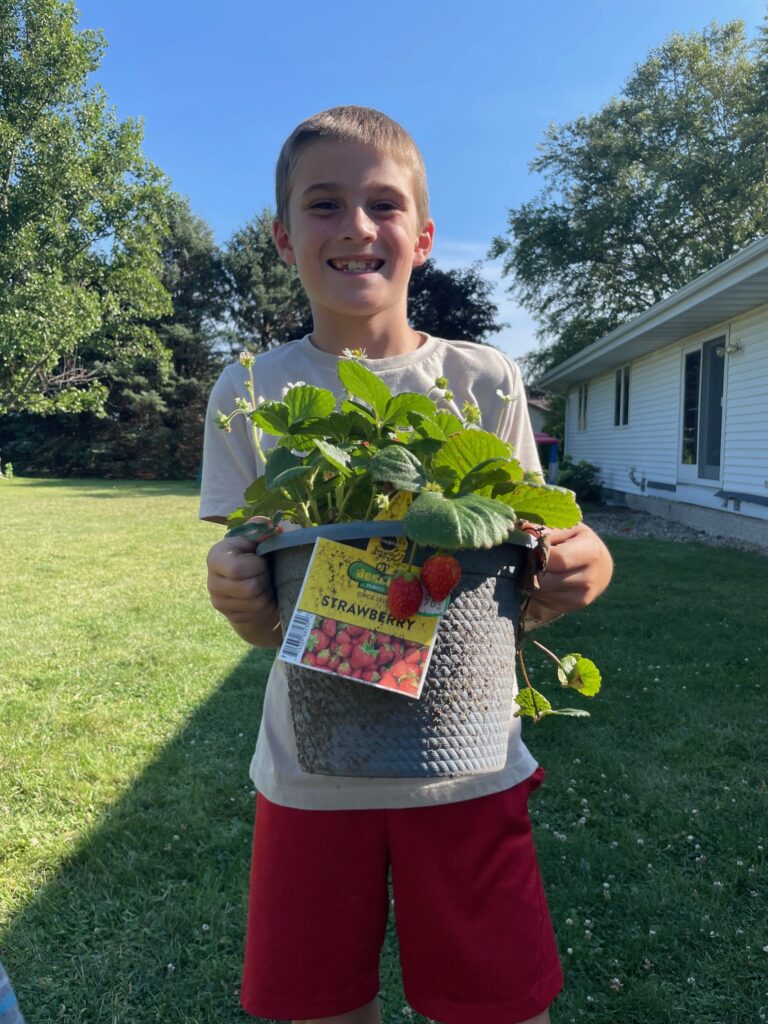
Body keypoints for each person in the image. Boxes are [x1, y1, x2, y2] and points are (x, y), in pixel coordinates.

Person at [201, 106, 613, 1024]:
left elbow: (528, 555)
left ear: (422, 237)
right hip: (312, 757)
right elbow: (270, 606)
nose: (355, 226)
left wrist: (584, 565)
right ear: (282, 237)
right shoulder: (253, 392)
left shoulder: (483, 379)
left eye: (383, 205)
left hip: (468, 759)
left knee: (496, 1005)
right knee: (310, 1005)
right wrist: (232, 589)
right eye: (324, 205)